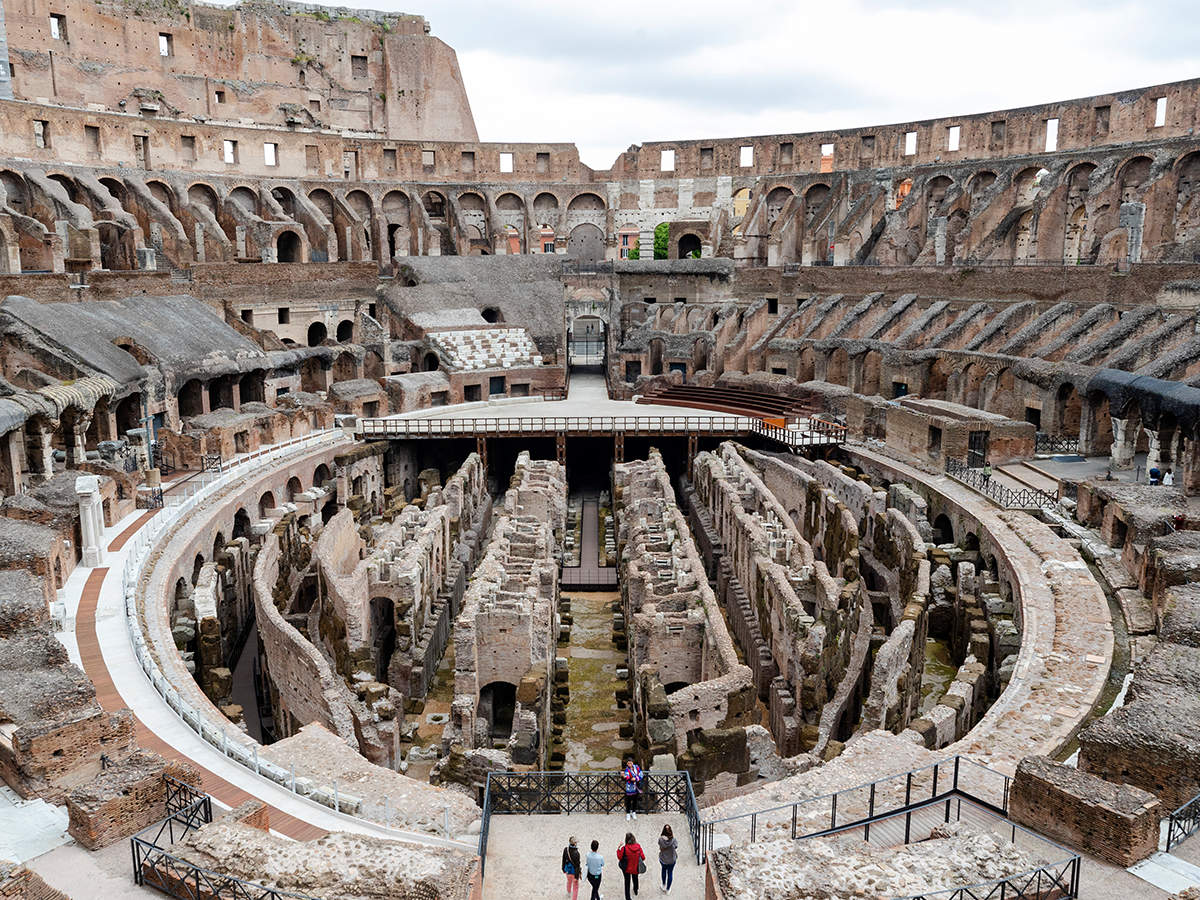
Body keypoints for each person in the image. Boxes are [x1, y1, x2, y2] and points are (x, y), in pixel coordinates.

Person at [616, 832, 645, 900]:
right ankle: (635, 890)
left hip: (626, 869)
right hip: (635, 867)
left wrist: (618, 848)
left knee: (627, 882)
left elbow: (619, 857)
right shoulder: (638, 846)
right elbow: (643, 857)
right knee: (635, 878)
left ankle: (628, 898)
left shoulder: (624, 848)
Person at [621, 756, 643, 821]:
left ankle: (633, 812)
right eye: (628, 763)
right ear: (627, 764)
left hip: (636, 787)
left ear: (632, 763)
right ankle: (628, 813)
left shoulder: (637, 767)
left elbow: (641, 774)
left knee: (635, 800)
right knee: (628, 801)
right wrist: (624, 776)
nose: (629, 764)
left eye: (630, 763)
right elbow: (627, 777)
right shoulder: (627, 769)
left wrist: (636, 778)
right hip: (629, 788)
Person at [658, 824, 677, 894]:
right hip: (671, 860)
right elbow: (676, 846)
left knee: (663, 871)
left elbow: (659, 845)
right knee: (670, 873)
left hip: (663, 859)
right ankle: (668, 889)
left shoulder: (660, 839)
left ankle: (663, 885)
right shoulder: (674, 840)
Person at [562, 836, 581, 900]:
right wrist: (576, 876)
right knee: (575, 887)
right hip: (574, 872)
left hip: (568, 870)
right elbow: (577, 866)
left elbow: (563, 860)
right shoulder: (577, 853)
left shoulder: (565, 849)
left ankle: (568, 893)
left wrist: (563, 869)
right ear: (575, 843)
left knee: (569, 882)